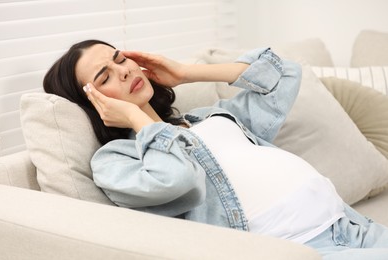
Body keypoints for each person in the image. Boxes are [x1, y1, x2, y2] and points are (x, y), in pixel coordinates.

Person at [43, 39, 388, 259]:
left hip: (354, 228)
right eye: (104, 77)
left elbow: (282, 75)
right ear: (92, 102)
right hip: (304, 248)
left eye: (120, 59)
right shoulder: (116, 160)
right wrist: (135, 115)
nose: (123, 71)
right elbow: (177, 180)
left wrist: (186, 73)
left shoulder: (209, 118)